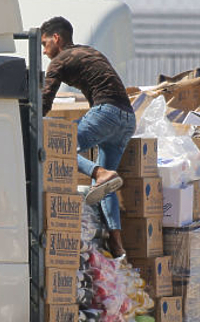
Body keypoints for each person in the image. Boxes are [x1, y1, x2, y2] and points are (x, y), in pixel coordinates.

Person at [40, 16, 136, 258]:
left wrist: (28, 123)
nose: (43, 51)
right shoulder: (89, 51)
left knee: (59, 147)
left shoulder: (59, 61)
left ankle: (99, 172)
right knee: (105, 188)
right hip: (127, 118)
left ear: (56, 38)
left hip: (107, 113)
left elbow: (44, 102)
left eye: (44, 44)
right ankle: (117, 243)